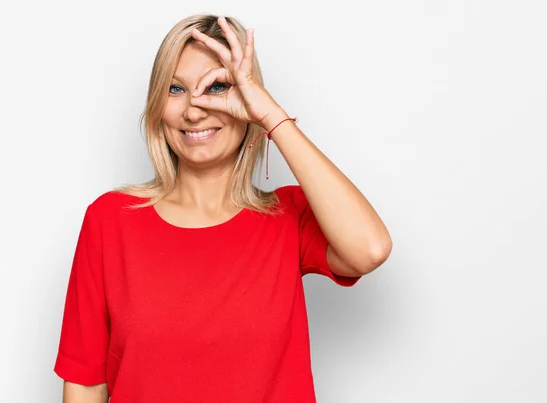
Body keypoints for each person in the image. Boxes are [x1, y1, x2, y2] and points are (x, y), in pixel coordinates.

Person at [53, 13, 392, 403]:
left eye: (217, 87)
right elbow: (85, 381)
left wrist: (270, 115)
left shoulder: (287, 217)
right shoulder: (110, 220)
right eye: (176, 89)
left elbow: (370, 249)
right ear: (157, 107)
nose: (195, 109)